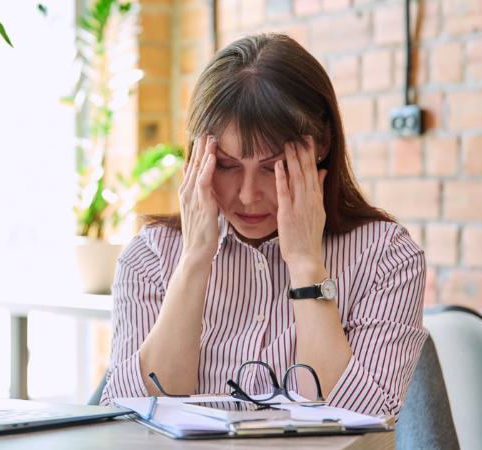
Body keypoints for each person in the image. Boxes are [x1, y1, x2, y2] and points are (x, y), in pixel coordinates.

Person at [99, 33, 427, 419]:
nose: (248, 195)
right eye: (226, 165)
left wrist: (306, 263)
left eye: (272, 167)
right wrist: (193, 261)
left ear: (320, 147)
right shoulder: (151, 256)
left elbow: (359, 423)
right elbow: (130, 417)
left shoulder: (385, 258)